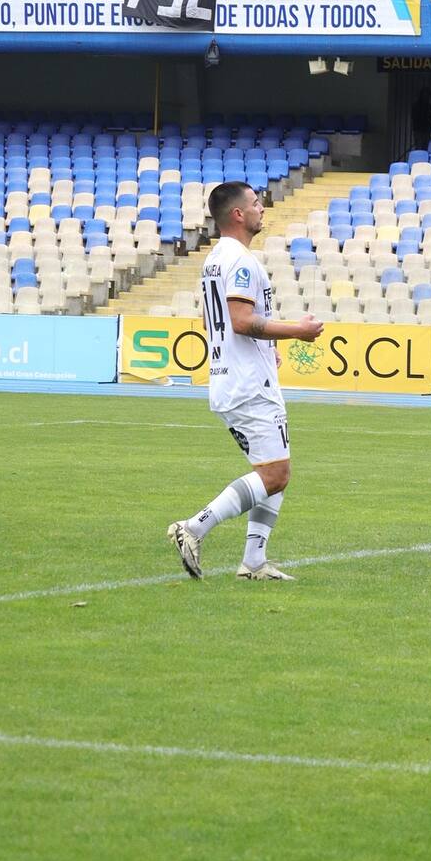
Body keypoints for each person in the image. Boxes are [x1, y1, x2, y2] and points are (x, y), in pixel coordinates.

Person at [168, 182, 324, 582]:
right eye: (256, 203)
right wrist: (295, 331)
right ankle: (194, 527)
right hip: (247, 384)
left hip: (234, 378)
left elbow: (213, 320)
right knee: (276, 475)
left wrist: (262, 345)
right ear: (238, 214)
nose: (262, 208)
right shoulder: (240, 261)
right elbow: (239, 321)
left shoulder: (215, 260)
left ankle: (254, 561)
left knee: (273, 469)